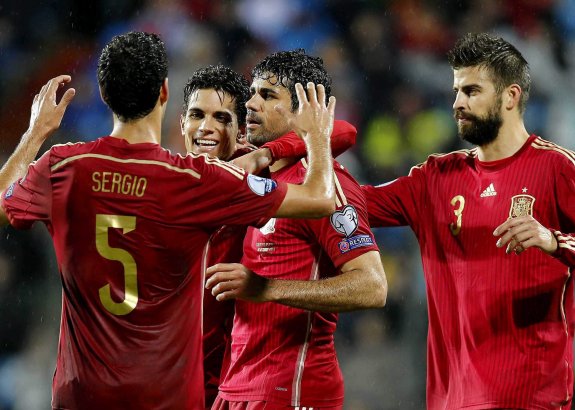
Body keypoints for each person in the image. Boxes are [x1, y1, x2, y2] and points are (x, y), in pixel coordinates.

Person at [0, 32, 338, 410]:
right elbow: (320, 199)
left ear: (103, 93)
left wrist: (35, 134)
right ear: (164, 92)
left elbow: (2, 202)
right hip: (166, 397)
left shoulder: (63, 167)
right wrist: (317, 136)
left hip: (82, 396)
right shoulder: (196, 180)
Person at [362, 32, 575, 409]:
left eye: (472, 90)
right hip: (452, 400)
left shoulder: (557, 168)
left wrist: (554, 240)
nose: (457, 102)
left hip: (531, 396)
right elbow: (351, 203)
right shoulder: (434, 178)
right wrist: (299, 150)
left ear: (511, 96)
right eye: (456, 91)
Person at [205, 49, 388, 410]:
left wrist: (267, 288)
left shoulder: (324, 187)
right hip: (237, 387)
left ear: (304, 110)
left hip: (291, 390)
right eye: (252, 93)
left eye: (268, 95)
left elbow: (373, 286)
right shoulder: (262, 179)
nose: (251, 104)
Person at [179, 64, 357, 408]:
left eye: (222, 118)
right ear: (181, 123)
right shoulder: (167, 179)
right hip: (174, 378)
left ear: (240, 130)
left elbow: (343, 131)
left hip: (232, 378)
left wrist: (265, 152)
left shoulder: (251, 176)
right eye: (197, 115)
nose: (207, 128)